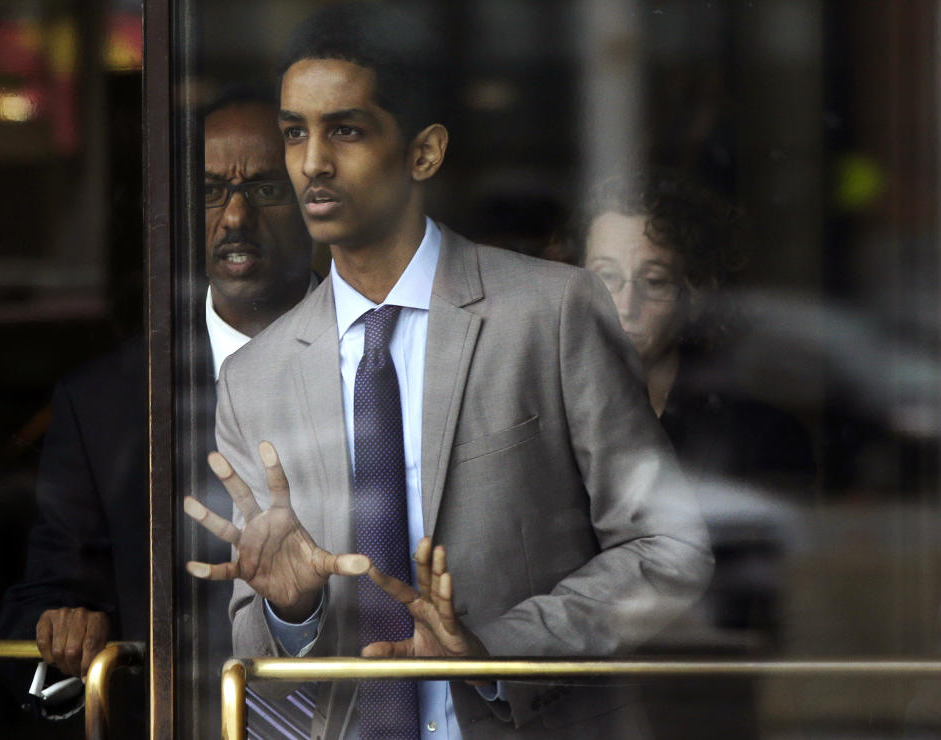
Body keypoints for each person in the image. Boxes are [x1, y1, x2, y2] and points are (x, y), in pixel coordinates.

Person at [184, 5, 713, 739]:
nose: (311, 163)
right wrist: (289, 610)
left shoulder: (550, 311)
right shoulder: (256, 376)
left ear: (424, 153)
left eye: (345, 130)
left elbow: (669, 549)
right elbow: (257, 657)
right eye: (295, 133)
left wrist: (499, 647)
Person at [0, 91, 314, 730]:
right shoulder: (106, 401)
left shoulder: (379, 356)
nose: (236, 217)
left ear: (314, 204)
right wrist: (64, 634)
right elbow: (46, 602)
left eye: (267, 190)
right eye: (211, 192)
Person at [578, 171, 816, 738]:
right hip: (567, 701)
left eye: (653, 281)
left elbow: (757, 598)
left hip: (700, 701)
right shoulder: (533, 413)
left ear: (695, 292)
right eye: (605, 277)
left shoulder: (758, 434)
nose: (625, 304)